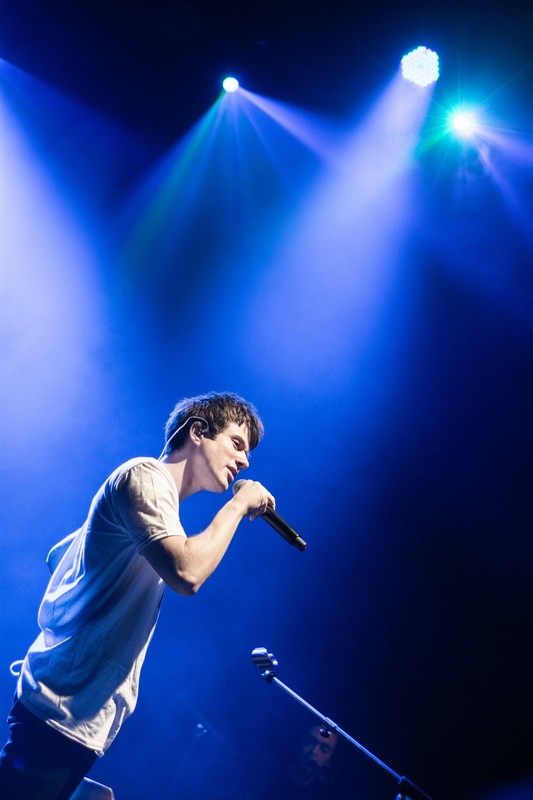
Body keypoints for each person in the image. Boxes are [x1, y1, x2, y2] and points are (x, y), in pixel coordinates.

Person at [0, 391, 273, 800]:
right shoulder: (144, 476)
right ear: (198, 432)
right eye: (237, 443)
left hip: (72, 720)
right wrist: (237, 506)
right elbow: (188, 573)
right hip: (59, 714)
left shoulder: (154, 503)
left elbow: (59, 557)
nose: (245, 461)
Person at [246, 724, 345, 800]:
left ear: (330, 759)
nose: (314, 751)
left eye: (324, 749)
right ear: (299, 743)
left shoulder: (324, 793)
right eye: (310, 742)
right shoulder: (267, 778)